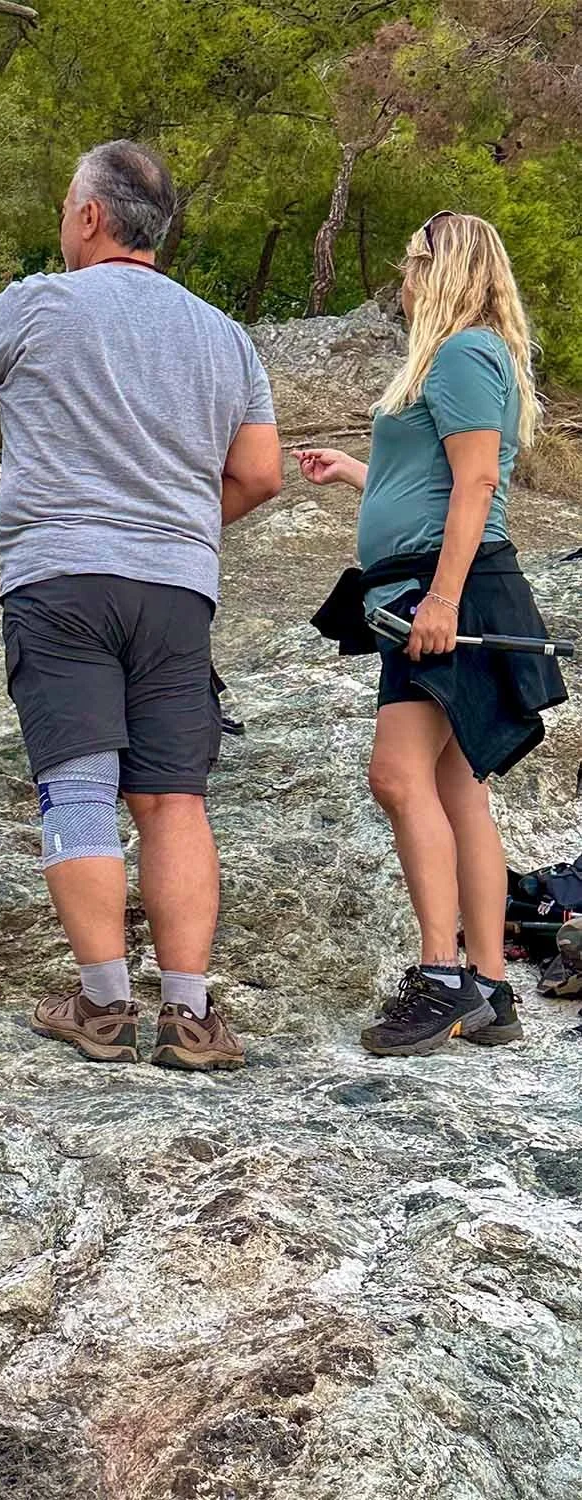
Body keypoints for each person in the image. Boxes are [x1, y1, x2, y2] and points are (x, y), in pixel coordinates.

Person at [0, 140, 282, 1071]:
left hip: (62, 575)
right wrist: (185, 528)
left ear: (88, 217)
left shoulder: (44, 300)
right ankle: (190, 1016)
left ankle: (104, 1003)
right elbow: (261, 475)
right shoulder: (223, 333)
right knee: (173, 798)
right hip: (176, 590)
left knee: (77, 783)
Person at [297, 211, 567, 1056]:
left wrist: (441, 600)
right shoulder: (464, 358)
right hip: (425, 585)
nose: (402, 284)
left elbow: (478, 480)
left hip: (442, 591)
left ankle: (441, 974)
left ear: (441, 270)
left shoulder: (458, 354)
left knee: (396, 774)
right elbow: (433, 478)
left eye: (410, 267)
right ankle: (486, 985)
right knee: (457, 788)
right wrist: (355, 474)